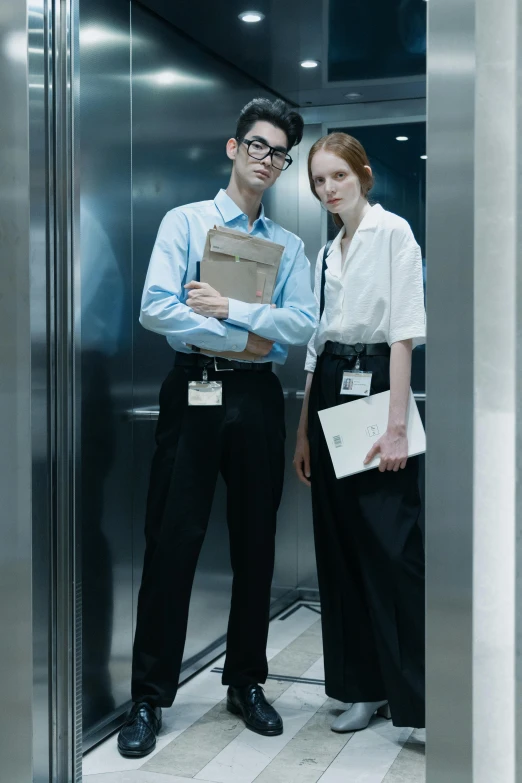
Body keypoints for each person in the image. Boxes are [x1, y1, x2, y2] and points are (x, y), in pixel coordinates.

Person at [117, 98, 316, 758]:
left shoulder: (290, 245)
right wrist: (245, 336)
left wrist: (226, 306)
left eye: (279, 154)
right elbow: (156, 308)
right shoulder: (186, 222)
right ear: (234, 148)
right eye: (258, 146)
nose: (267, 160)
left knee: (258, 541)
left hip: (258, 399)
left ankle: (246, 680)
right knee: (172, 538)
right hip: (193, 389)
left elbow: (300, 325)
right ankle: (148, 696)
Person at [293, 132, 426, 733]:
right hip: (328, 391)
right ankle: (362, 688)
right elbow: (317, 346)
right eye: (319, 181)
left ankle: (421, 701)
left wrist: (396, 428)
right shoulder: (327, 253)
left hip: (376, 384)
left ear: (362, 174)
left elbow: (402, 334)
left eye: (337, 177)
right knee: (340, 548)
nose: (328, 189)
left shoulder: (393, 232)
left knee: (394, 550)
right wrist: (303, 432)